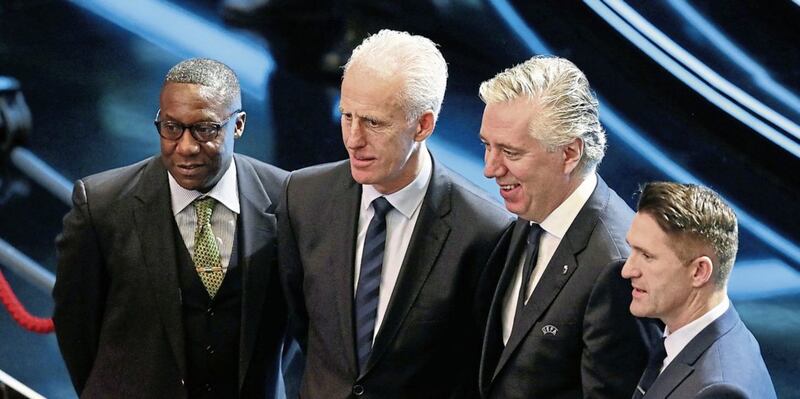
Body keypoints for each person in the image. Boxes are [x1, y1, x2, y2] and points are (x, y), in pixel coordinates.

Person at [278, 29, 513, 398]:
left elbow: (476, 371)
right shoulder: (303, 197)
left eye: (373, 123)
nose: (353, 139)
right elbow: (301, 330)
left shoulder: (486, 232)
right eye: (347, 116)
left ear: (424, 125)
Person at [53, 58, 289, 398]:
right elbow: (76, 326)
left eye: (205, 129)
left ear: (238, 126)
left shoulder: (286, 198)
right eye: (171, 127)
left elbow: (304, 324)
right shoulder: (101, 204)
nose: (186, 147)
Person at [477, 55, 653, 398]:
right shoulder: (531, 212)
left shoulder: (618, 264)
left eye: (510, 153)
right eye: (487, 146)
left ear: (570, 153)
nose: (489, 168)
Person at [622, 182, 777, 399]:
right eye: (632, 249)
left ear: (699, 272)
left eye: (647, 256)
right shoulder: (695, 338)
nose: (627, 271)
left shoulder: (718, 390)